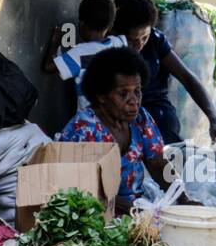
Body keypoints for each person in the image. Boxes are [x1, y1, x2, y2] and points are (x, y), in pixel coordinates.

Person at [112, 0, 216, 145]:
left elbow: (188, 78)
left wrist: (215, 120)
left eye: (144, 37)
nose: (139, 44)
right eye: (133, 40)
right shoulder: (109, 49)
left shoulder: (156, 41)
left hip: (159, 118)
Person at [57, 46, 173, 209]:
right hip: (94, 215)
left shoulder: (140, 119)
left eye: (137, 91)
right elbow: (81, 189)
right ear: (101, 96)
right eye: (123, 94)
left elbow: (158, 165)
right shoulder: (83, 129)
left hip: (137, 210)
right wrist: (133, 210)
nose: (134, 101)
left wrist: (184, 199)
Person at [40, 0, 126, 119]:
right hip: (115, 115)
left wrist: (55, 43)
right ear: (110, 26)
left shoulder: (79, 54)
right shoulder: (118, 43)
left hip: (89, 121)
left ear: (81, 24)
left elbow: (48, 67)